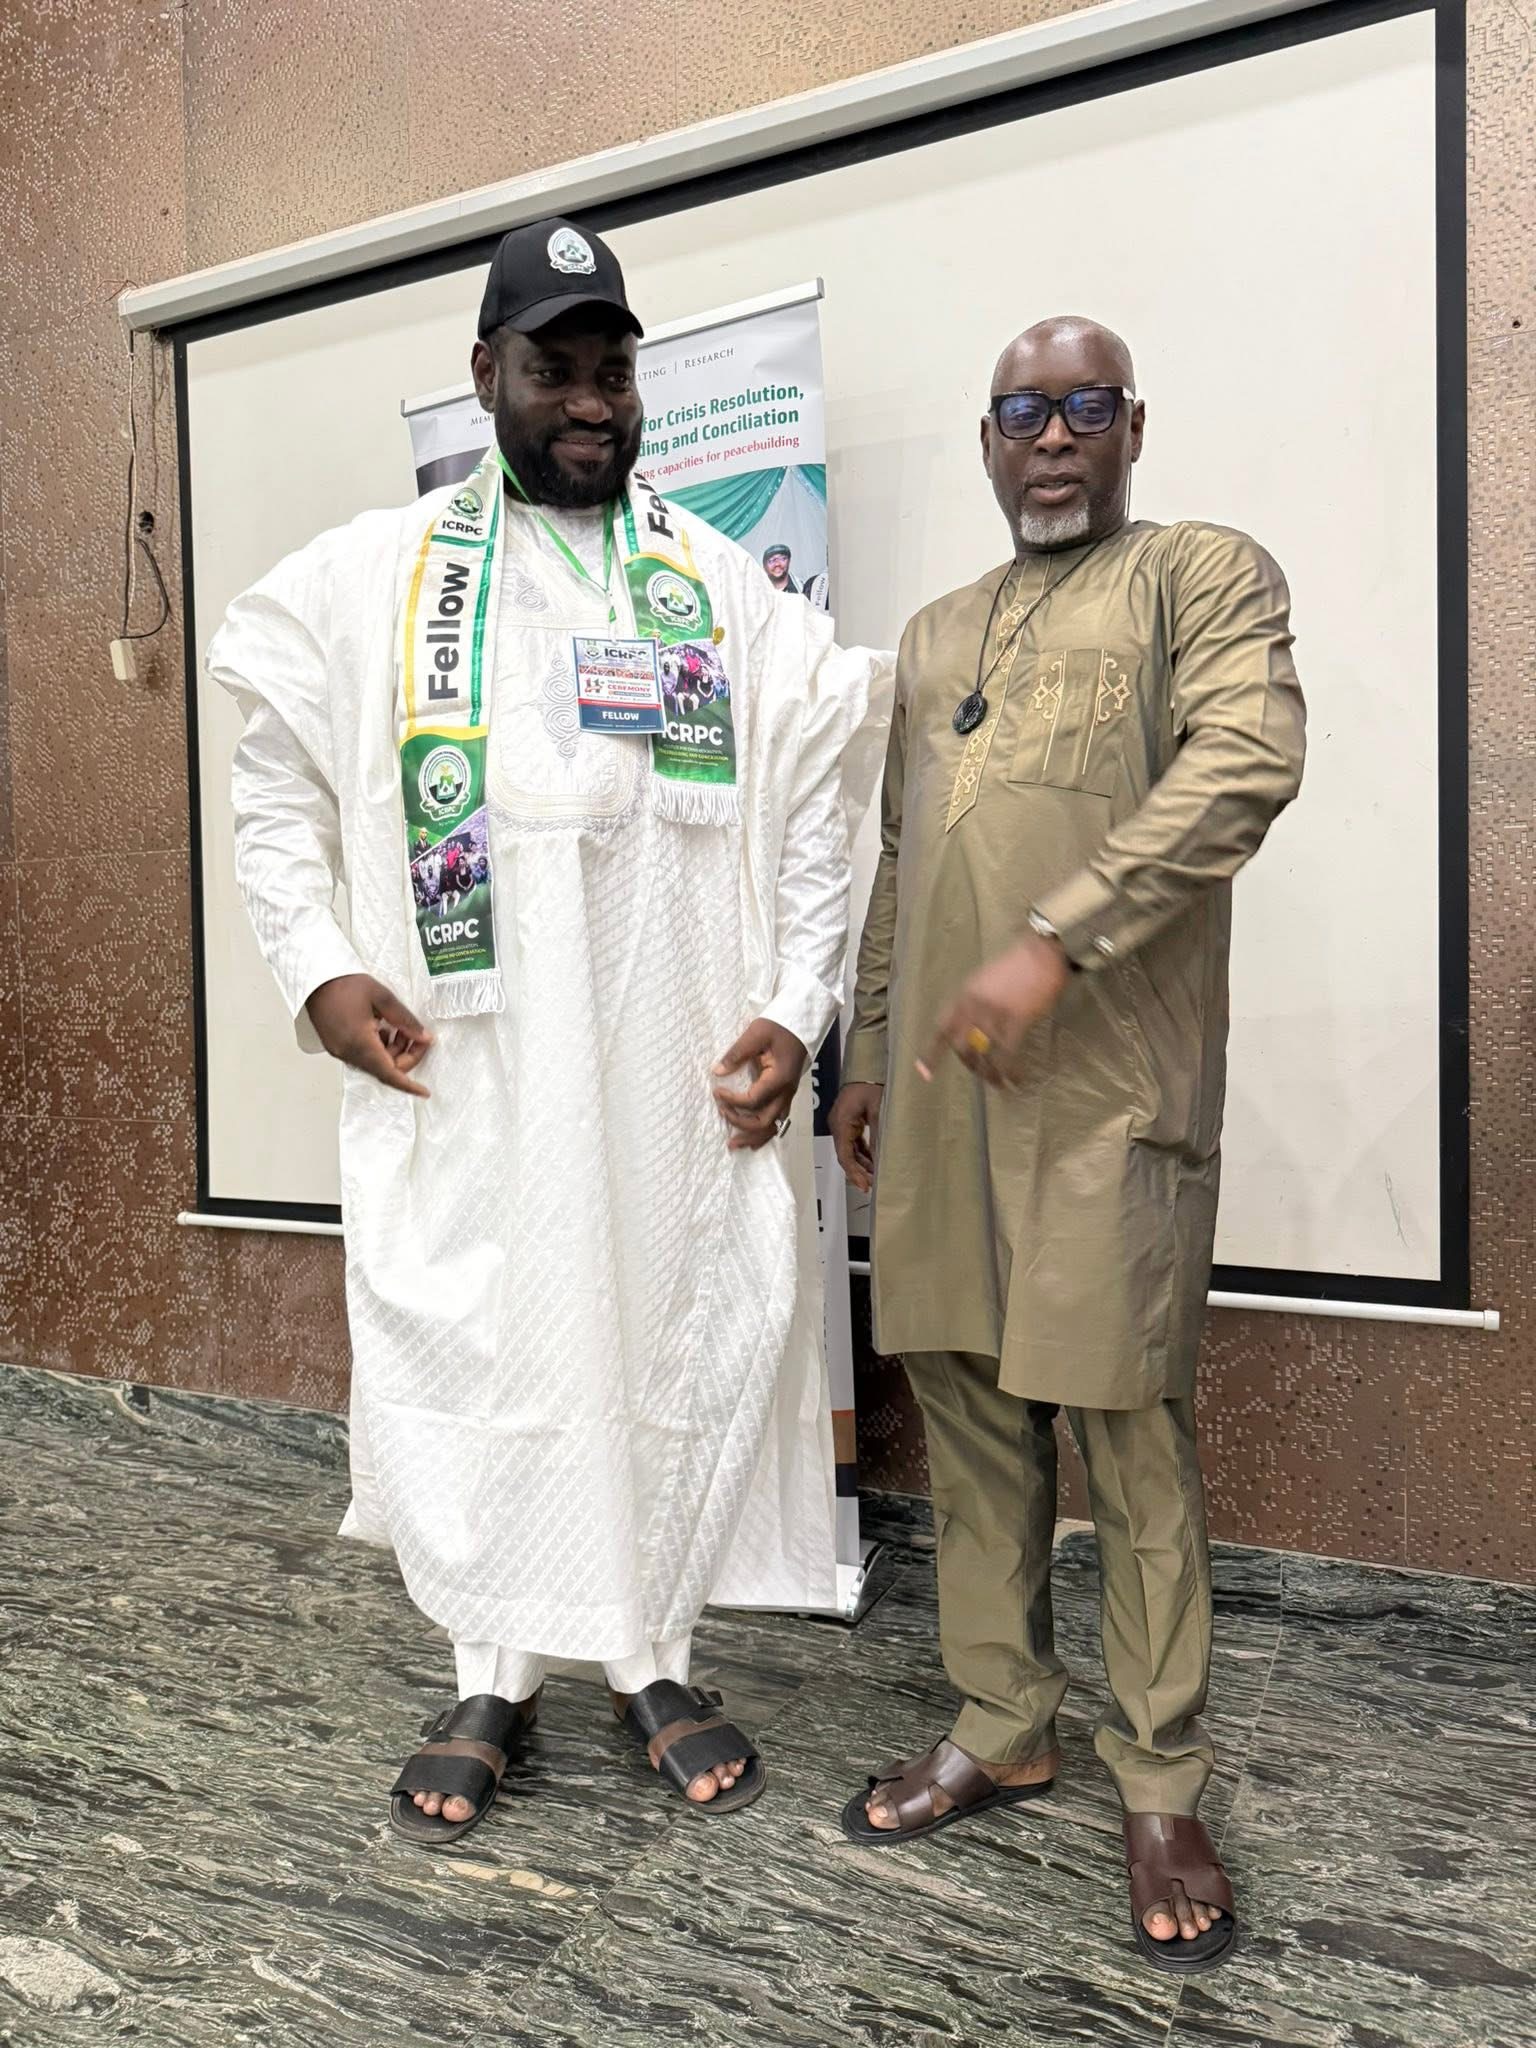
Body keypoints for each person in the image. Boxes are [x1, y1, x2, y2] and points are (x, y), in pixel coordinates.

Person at [212, 216, 891, 1846]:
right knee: (494, 1346)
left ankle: (653, 1656)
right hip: (476, 1068)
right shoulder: (380, 580)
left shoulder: (715, 589)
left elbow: (819, 808)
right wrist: (319, 971)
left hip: (665, 1070)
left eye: (614, 372)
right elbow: (272, 790)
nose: (591, 401)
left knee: (658, 1339)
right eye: (554, 368)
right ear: (485, 374)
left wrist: (797, 1005)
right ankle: (492, 1673)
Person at [829, 317, 1305, 1972]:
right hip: (946, 1095)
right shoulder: (935, 633)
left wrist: (1055, 940)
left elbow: (1246, 764)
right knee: (968, 1410)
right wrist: (868, 1053)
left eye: (1083, 406)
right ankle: (1003, 1719)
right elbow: (902, 858)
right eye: (1021, 411)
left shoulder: (1199, 575)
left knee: (1128, 1428)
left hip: (1109, 1091)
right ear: (986, 440)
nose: (1051, 436)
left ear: (1132, 426)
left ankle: (1160, 1777)